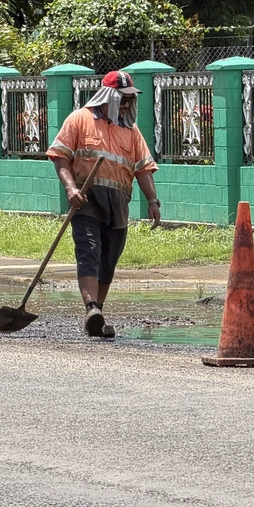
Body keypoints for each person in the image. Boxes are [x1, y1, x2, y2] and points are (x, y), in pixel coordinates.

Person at [46, 70, 161, 338]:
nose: (126, 103)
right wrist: (70, 188)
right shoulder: (79, 120)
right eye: (122, 98)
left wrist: (153, 201)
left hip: (118, 204)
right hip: (86, 200)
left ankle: (96, 314)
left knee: (108, 260)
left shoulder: (131, 132)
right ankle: (91, 308)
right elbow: (60, 156)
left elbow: (143, 169)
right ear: (108, 95)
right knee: (90, 253)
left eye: (129, 99)